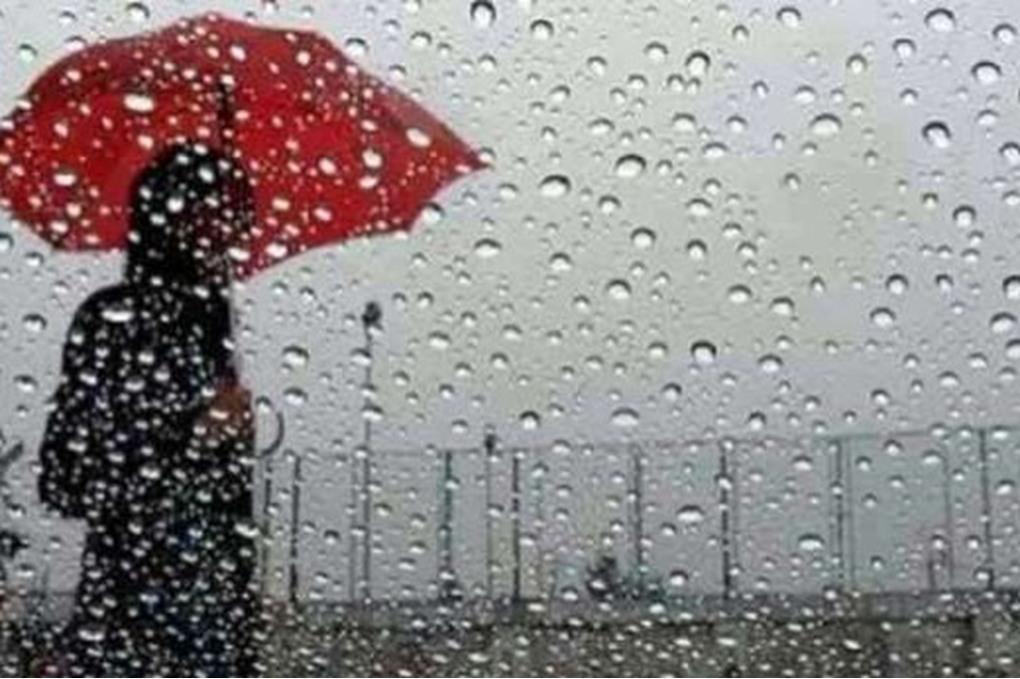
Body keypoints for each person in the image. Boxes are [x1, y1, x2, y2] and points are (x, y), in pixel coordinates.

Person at [37, 144, 261, 676]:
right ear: (166, 221)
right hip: (128, 629)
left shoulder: (214, 329)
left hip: (215, 633)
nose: (225, 236)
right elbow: (65, 480)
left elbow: (226, 515)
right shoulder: (110, 321)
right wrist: (193, 432)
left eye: (232, 219)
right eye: (207, 216)